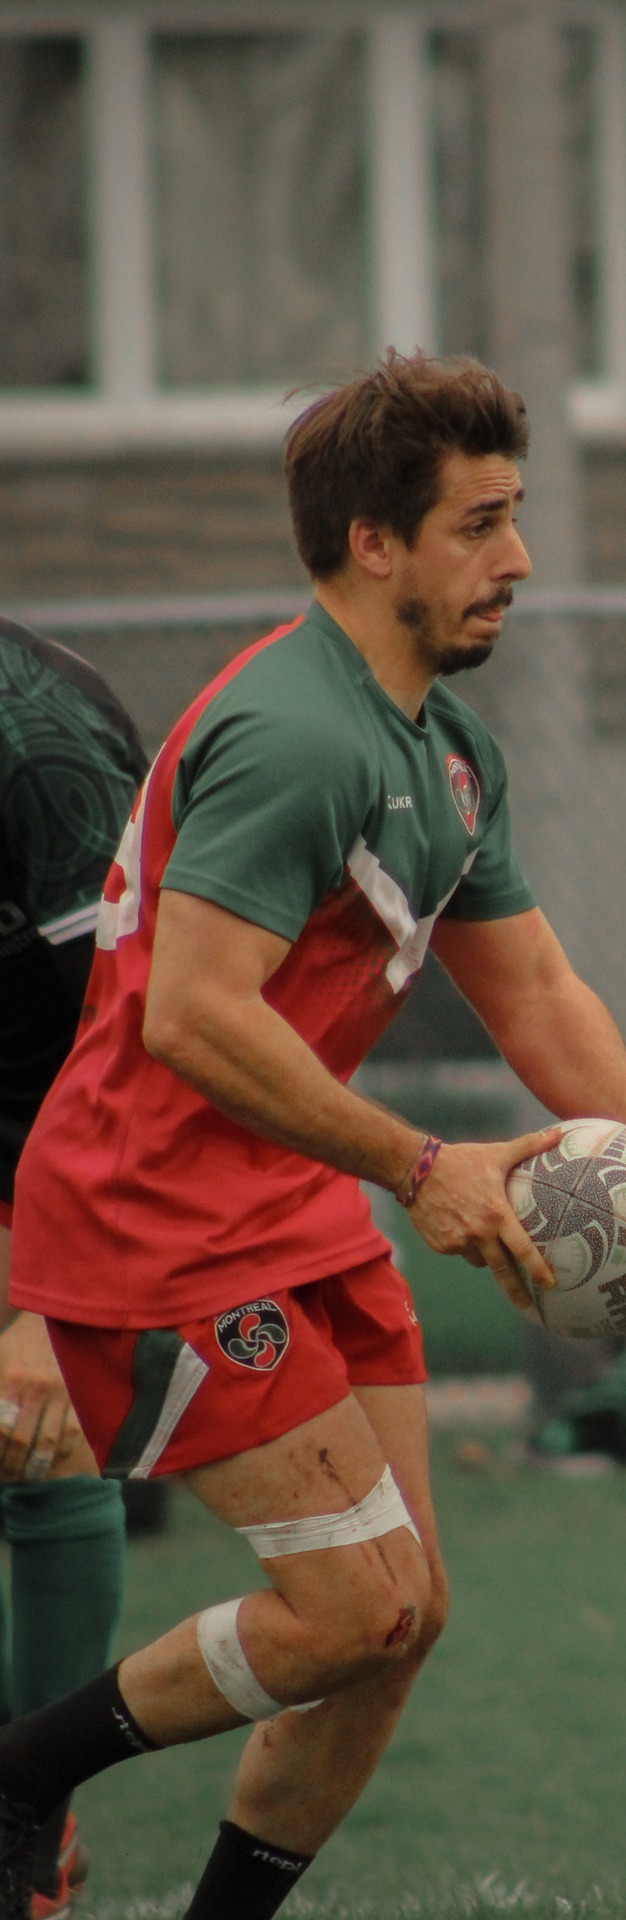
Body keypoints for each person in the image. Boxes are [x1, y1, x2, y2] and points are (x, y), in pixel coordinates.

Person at [0, 354, 626, 1920]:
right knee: (343, 1612)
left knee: (407, 1623)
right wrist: (421, 1164)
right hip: (151, 1227)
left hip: (288, 1207)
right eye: (482, 524)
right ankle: (22, 1770)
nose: (518, 560)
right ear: (373, 543)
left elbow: (532, 989)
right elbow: (192, 1014)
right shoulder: (293, 733)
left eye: (515, 518)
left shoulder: (447, 752)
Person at [0, 616, 148, 1917]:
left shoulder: (40, 737)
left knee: (34, 1445)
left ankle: (28, 1814)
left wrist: (49, 1296)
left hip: (32, 1146)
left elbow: (121, 1035)